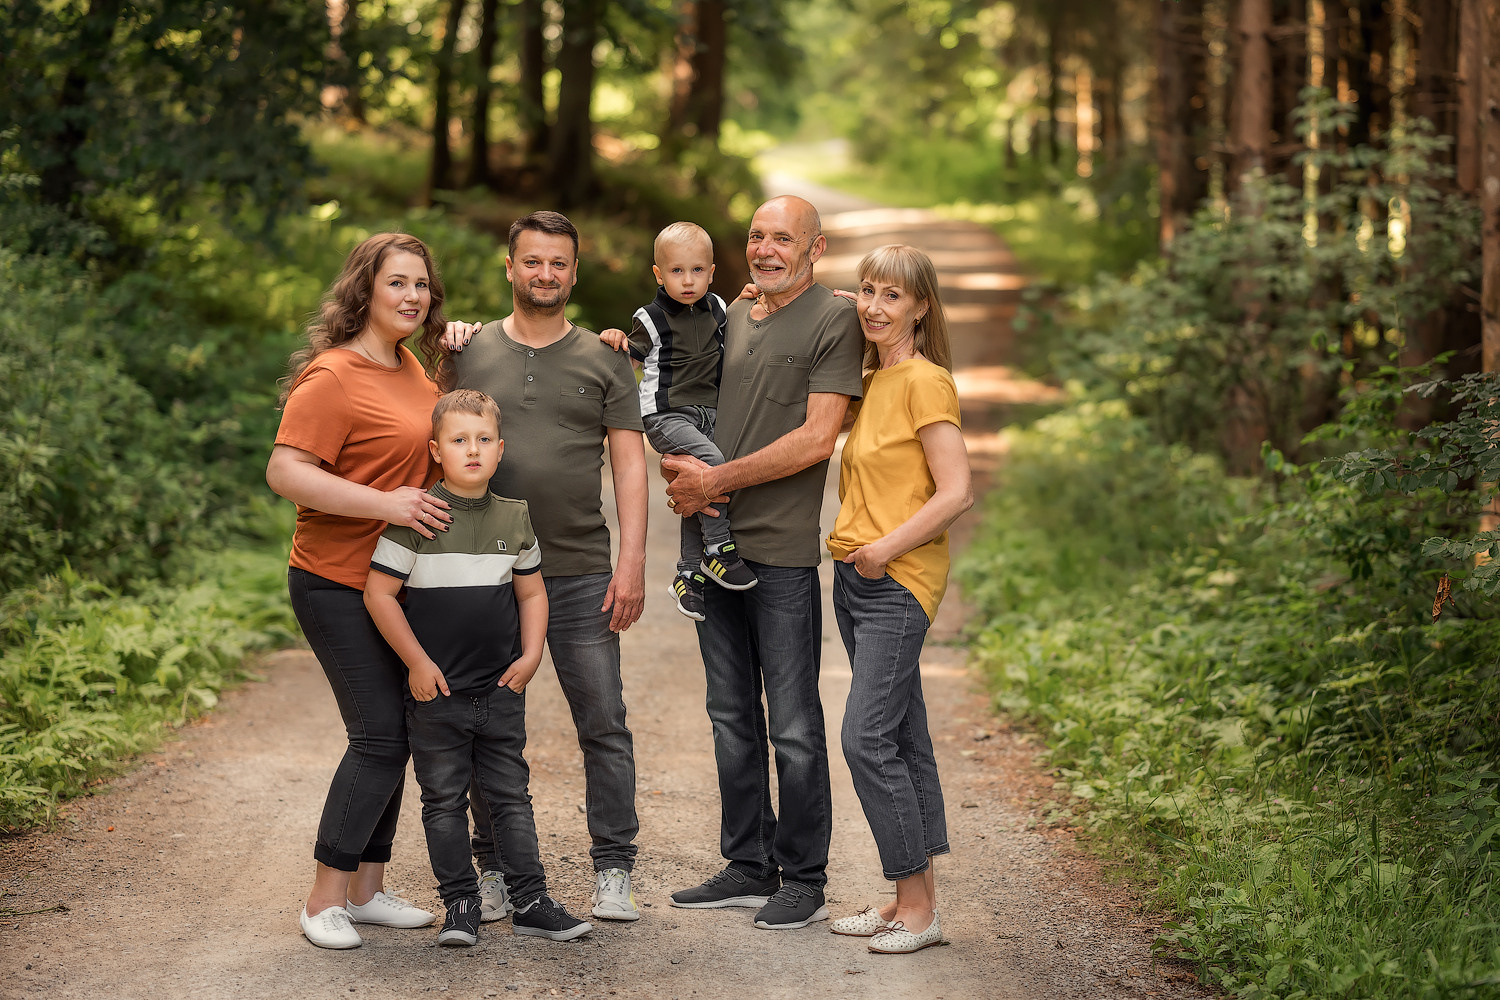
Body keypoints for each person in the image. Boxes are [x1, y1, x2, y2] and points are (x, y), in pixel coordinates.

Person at [663, 195, 864, 930]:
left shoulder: (834, 318)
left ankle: (804, 877)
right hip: (714, 552)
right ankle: (749, 864)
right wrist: (683, 466)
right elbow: (694, 409)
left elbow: (817, 440)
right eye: (755, 236)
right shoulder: (731, 316)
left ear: (815, 248)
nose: (765, 249)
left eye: (783, 238)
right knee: (730, 715)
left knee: (796, 723)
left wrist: (712, 481)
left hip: (779, 557)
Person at [444, 210, 649, 923]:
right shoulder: (466, 354)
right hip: (485, 573)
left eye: (559, 263)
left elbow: (629, 465)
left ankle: (614, 867)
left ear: (574, 271)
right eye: (533, 261)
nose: (545, 274)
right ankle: (492, 864)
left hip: (582, 568)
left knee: (603, 719)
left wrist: (631, 564)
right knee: (488, 723)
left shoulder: (603, 358)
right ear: (510, 267)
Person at [266, 232, 452, 950]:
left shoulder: (412, 367)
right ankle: (323, 900)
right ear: (364, 291)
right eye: (397, 283)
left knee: (399, 733)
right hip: (332, 580)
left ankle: (368, 891)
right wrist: (391, 506)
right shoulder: (333, 375)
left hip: (392, 584)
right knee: (376, 734)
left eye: (422, 285)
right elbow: (286, 471)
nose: (412, 296)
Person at [364, 389, 593, 945]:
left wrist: (533, 653)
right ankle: (461, 906)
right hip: (434, 693)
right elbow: (378, 594)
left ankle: (532, 899)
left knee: (510, 795)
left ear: (500, 449)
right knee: (442, 798)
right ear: (436, 450)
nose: (473, 450)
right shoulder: (417, 517)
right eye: (459, 440)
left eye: (483, 440)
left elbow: (533, 594)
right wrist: (416, 663)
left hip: (499, 689)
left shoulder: (514, 517)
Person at [825, 244, 973, 954]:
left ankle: (919, 911)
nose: (875, 306)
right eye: (867, 291)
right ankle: (910, 902)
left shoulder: (925, 381)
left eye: (893, 296)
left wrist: (885, 549)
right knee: (904, 737)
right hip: (856, 580)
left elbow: (956, 492)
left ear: (921, 306)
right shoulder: (873, 379)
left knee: (864, 738)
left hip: (897, 582)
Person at [598, 221, 757, 622]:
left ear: (712, 272)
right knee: (714, 468)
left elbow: (739, 333)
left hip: (710, 413)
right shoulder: (649, 318)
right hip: (666, 415)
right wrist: (616, 341)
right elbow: (628, 361)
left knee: (696, 486)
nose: (688, 281)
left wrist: (747, 299)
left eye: (697, 270)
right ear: (658, 273)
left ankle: (689, 574)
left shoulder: (719, 308)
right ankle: (720, 550)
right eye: (676, 271)